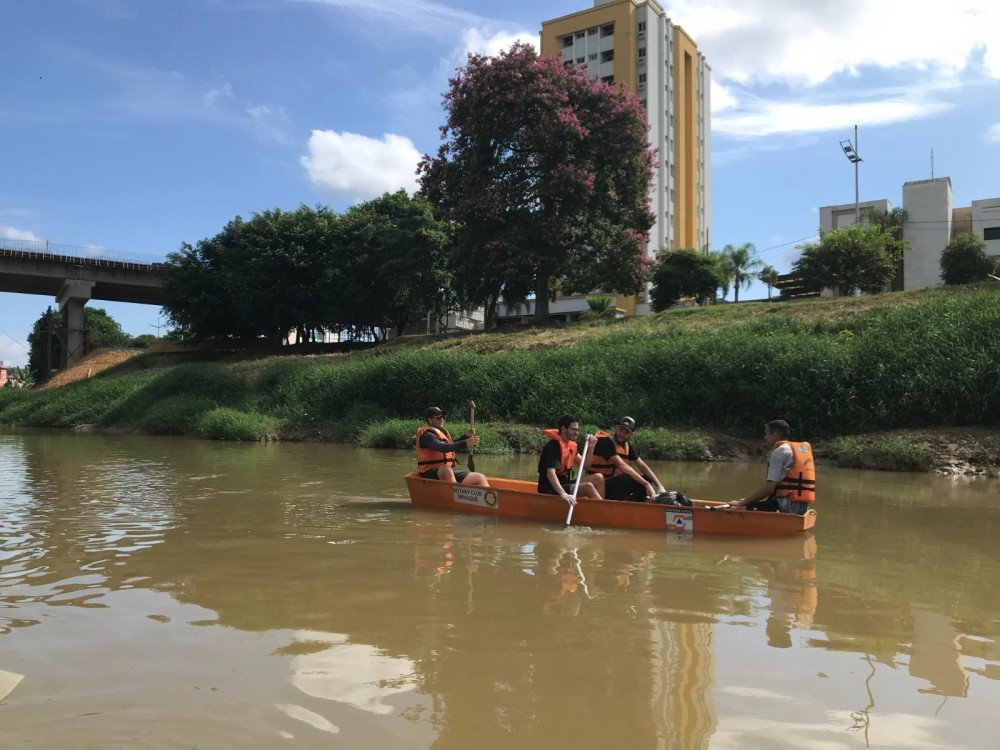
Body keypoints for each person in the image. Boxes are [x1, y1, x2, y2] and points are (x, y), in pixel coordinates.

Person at [731, 419, 815, 514]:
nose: (765, 437)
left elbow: (769, 489)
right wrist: (751, 500)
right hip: (803, 507)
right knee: (751, 503)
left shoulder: (779, 451)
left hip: (787, 507)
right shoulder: (793, 450)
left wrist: (742, 503)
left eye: (767, 434)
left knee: (739, 508)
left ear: (774, 435)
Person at [586, 416, 667, 502]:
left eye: (626, 432)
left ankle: (636, 505)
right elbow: (622, 466)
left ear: (631, 434)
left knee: (647, 478)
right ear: (616, 428)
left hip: (613, 485)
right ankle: (617, 506)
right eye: (621, 430)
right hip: (599, 485)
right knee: (626, 479)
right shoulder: (605, 442)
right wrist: (646, 484)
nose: (622, 434)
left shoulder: (627, 445)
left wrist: (659, 486)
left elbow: (642, 466)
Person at [537, 414, 602, 505]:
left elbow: (586, 466)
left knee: (598, 477)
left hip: (564, 483)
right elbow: (550, 473)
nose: (577, 433)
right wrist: (564, 494)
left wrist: (591, 446)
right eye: (573, 429)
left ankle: (600, 505)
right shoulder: (554, 446)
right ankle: (605, 511)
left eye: (577, 430)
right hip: (550, 488)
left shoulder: (570, 445)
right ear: (563, 429)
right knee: (588, 487)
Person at [415, 406, 489, 487]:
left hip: (446, 471)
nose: (442, 419)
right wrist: (466, 443)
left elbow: (451, 444)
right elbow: (442, 448)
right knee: (446, 470)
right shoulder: (427, 435)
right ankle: (454, 496)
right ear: (430, 420)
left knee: (479, 477)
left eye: (443, 417)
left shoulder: (439, 434)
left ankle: (488, 498)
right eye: (439, 417)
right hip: (429, 471)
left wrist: (466, 436)